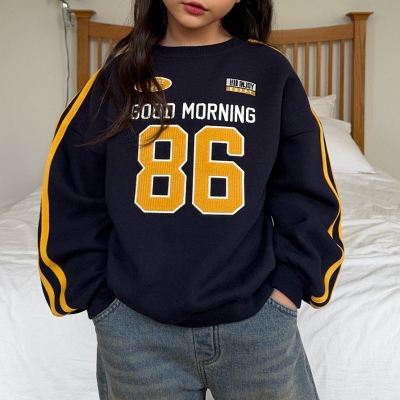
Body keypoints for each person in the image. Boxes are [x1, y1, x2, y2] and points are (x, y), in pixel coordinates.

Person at [38, 0, 344, 399]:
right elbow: (73, 187)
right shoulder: (117, 76)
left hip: (256, 325)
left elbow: (306, 189)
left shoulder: (270, 72)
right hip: (134, 332)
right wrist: (98, 298)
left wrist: (289, 287)